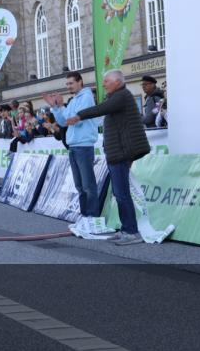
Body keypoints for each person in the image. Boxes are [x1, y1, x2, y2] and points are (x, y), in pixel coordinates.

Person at [66, 70, 173, 246]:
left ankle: (131, 232)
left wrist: (80, 115)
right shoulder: (117, 96)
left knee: (122, 193)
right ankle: (126, 229)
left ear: (117, 82)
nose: (104, 84)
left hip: (121, 152)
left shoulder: (121, 95)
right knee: (120, 193)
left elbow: (101, 109)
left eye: (107, 81)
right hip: (118, 152)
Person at [46, 72, 110, 239]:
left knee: (88, 185)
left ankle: (92, 219)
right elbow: (62, 122)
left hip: (83, 145)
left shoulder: (86, 97)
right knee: (80, 186)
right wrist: (56, 107)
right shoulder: (74, 100)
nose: (68, 86)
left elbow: (75, 119)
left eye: (71, 83)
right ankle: (85, 218)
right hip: (74, 146)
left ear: (80, 82)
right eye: (67, 84)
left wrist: (62, 110)